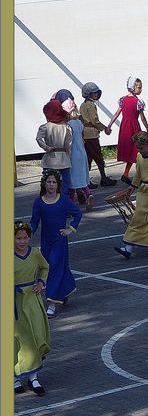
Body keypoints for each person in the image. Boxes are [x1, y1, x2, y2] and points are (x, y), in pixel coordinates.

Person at [30, 170, 81, 318]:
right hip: (46, 242)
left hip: (59, 241)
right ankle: (66, 288)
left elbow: (77, 214)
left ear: (58, 185)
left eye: (54, 182)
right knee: (53, 267)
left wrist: (70, 229)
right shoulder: (39, 202)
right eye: (49, 182)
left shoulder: (64, 200)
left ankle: (52, 303)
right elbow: (34, 222)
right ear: (44, 184)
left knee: (53, 268)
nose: (51, 185)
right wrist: (25, 235)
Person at [114, 132, 148, 260]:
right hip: (143, 191)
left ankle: (130, 247)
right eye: (137, 147)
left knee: (140, 217)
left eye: (141, 147)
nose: (139, 150)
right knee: (142, 217)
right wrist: (132, 186)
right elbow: (138, 174)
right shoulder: (140, 157)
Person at [13, 222, 50, 395]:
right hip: (13, 302)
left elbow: (45, 267)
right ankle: (14, 377)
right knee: (17, 339)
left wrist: (41, 282)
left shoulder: (35, 253)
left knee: (37, 334)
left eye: (25, 237)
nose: (22, 241)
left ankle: (33, 377)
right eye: (18, 237)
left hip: (32, 299)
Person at [106, 77, 148, 184]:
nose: (141, 89)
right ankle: (140, 176)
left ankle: (126, 174)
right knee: (138, 151)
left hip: (125, 127)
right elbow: (142, 118)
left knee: (133, 152)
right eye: (139, 87)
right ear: (133, 87)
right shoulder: (137, 102)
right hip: (134, 127)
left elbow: (117, 114)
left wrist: (109, 125)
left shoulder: (123, 100)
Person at [56, 90, 92, 211]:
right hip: (82, 152)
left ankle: (71, 204)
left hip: (72, 154)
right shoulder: (78, 123)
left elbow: (68, 141)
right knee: (82, 177)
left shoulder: (68, 125)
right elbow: (82, 137)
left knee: (72, 180)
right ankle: (88, 194)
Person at [79, 82, 116, 188]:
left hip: (85, 134)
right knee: (98, 157)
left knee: (88, 159)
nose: (96, 94)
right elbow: (94, 121)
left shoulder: (83, 105)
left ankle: (85, 181)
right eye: (94, 93)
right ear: (89, 94)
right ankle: (103, 178)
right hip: (91, 135)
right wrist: (105, 128)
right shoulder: (91, 105)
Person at [36, 99, 73, 192]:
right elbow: (68, 143)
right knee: (65, 184)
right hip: (64, 159)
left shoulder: (45, 127)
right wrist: (69, 155)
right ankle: (64, 201)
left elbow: (38, 139)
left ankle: (49, 202)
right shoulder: (66, 127)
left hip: (50, 159)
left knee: (48, 184)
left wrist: (47, 147)